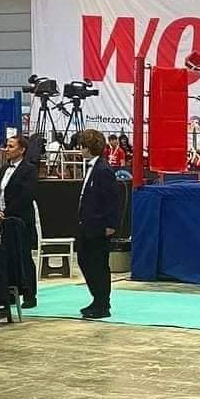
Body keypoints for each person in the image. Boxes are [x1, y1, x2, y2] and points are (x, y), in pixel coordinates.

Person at [77, 129, 119, 319]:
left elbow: (112, 199)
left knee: (98, 264)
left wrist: (110, 224)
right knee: (84, 260)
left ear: (88, 148)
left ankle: (103, 303)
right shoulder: (92, 168)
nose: (80, 150)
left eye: (82, 146)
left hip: (99, 225)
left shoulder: (103, 170)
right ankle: (97, 298)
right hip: (87, 223)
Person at [0, 135, 38, 309]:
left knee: (24, 256)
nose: (7, 149)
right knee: (7, 256)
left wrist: (6, 212)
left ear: (22, 150)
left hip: (21, 219)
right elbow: (0, 193)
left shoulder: (29, 170)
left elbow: (26, 195)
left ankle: (30, 294)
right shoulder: (4, 169)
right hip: (3, 219)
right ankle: (11, 293)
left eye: (11, 146)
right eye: (7, 146)